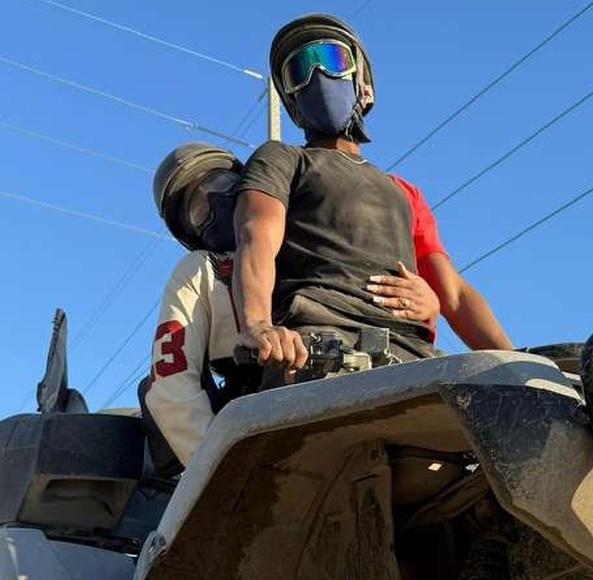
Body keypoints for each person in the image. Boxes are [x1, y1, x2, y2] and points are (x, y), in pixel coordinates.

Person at [233, 13, 513, 382]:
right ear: (293, 102)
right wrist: (258, 323)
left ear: (364, 88)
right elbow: (256, 235)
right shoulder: (283, 159)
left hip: (413, 355)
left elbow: (455, 296)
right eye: (299, 71)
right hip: (316, 347)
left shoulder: (404, 192)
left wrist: (517, 365)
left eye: (332, 60)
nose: (317, 75)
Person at [143, 141, 441, 472]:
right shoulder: (203, 270)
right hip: (267, 421)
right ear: (190, 231)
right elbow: (171, 382)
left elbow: (367, 290)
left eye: (222, 184)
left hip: (366, 381)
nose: (216, 201)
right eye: (199, 208)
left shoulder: (296, 238)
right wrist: (220, 468)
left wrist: (429, 303)